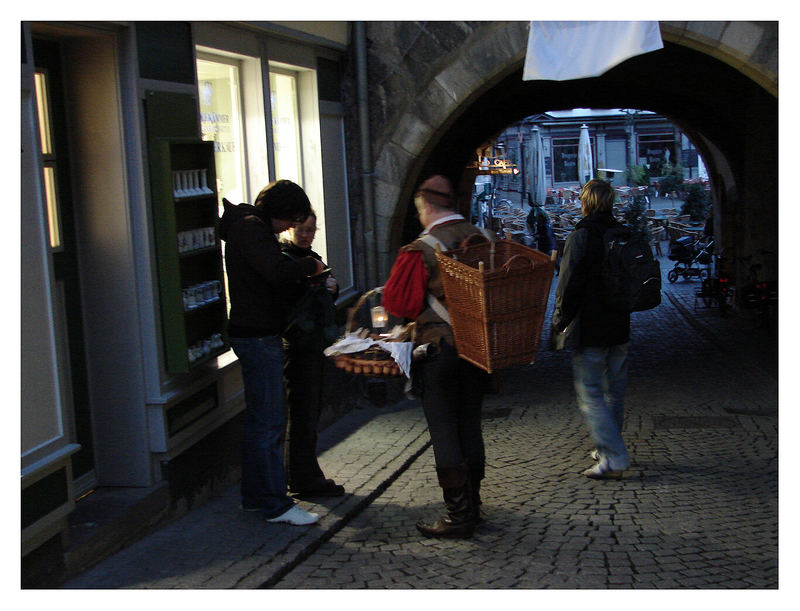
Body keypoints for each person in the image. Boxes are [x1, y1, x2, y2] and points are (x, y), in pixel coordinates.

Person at [382, 174, 492, 539]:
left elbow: (399, 302)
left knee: (445, 430)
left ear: (427, 206)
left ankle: (459, 516)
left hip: (440, 350)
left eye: (418, 211)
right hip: (478, 348)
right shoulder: (483, 238)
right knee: (470, 425)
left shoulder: (421, 248)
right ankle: (473, 504)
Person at [219, 180, 326, 525]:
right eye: (291, 220)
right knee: (269, 423)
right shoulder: (252, 230)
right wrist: (310, 267)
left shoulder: (249, 227)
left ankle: (256, 497)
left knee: (259, 423)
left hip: (255, 332)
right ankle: (275, 503)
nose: (291, 229)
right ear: (279, 213)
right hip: (258, 335)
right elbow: (275, 271)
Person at [550, 178, 632, 479]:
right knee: (614, 391)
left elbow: (568, 283)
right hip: (620, 321)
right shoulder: (622, 234)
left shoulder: (582, 236)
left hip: (591, 324)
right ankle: (608, 448)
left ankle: (613, 455)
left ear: (585, 202)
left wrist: (560, 320)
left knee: (591, 393)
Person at [280, 211, 345, 497]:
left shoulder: (310, 257)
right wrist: (320, 288)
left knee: (308, 412)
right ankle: (302, 478)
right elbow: (292, 304)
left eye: (312, 230)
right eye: (302, 230)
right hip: (299, 347)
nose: (307, 235)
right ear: (290, 229)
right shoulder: (286, 260)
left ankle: (303, 474)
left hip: (313, 345)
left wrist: (331, 289)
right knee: (303, 413)